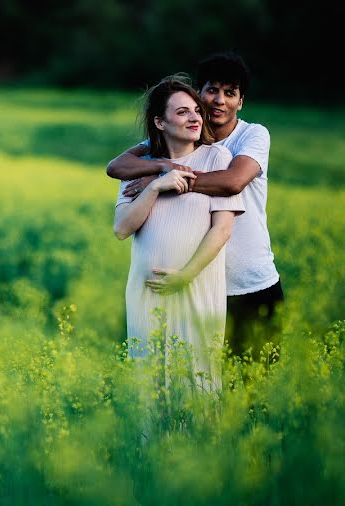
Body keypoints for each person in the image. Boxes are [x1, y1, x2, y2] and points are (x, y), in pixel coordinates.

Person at [108, 51, 283, 361]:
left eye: (230, 93)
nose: (219, 100)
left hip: (250, 283)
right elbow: (117, 166)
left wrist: (167, 180)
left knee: (254, 394)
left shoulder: (251, 136)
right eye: (211, 90)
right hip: (202, 289)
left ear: (240, 102)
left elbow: (232, 182)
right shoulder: (182, 138)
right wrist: (161, 168)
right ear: (199, 94)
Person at [114, 73, 244, 392]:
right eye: (182, 112)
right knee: (150, 387)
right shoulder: (143, 166)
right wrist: (157, 184)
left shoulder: (217, 157)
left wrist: (185, 276)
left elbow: (222, 229)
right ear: (160, 122)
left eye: (196, 110)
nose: (195, 117)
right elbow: (122, 228)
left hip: (195, 287)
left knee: (197, 383)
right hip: (147, 292)